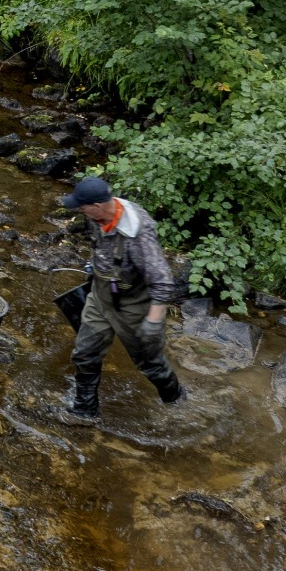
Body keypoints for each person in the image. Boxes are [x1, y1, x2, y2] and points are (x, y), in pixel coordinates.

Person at [53, 175, 186, 424]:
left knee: (150, 364)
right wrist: (95, 267)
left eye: (82, 207)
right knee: (85, 353)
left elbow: (163, 282)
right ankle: (85, 412)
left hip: (133, 306)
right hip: (100, 296)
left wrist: (153, 322)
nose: (80, 211)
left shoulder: (138, 235)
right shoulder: (97, 217)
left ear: (98, 205)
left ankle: (177, 401)